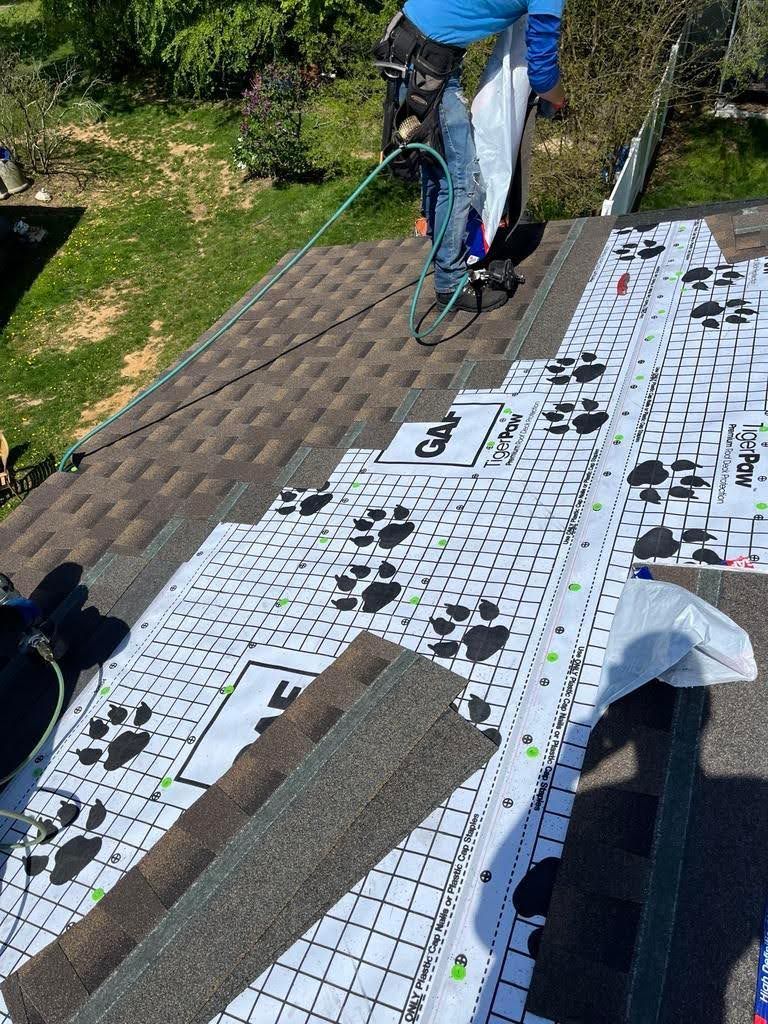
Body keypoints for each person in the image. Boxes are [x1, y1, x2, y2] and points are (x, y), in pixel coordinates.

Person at [386, 0, 566, 313]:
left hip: (407, 44)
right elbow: (542, 71)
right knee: (459, 175)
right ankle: (450, 283)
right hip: (427, 64)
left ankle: (442, 255)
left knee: (436, 166)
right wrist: (560, 101)